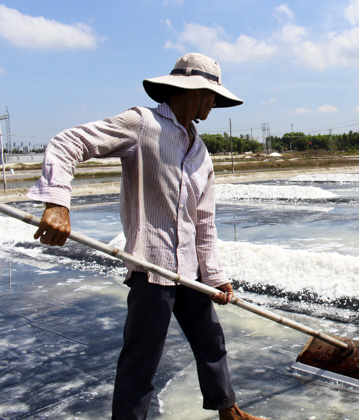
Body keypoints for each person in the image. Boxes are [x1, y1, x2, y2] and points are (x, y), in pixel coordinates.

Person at [28, 53, 265, 420]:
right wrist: (58, 202)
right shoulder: (142, 124)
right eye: (211, 96)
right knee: (141, 361)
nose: (215, 104)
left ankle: (227, 410)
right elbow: (68, 142)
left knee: (212, 343)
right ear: (192, 92)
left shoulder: (201, 152)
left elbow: (203, 222)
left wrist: (215, 276)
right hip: (151, 267)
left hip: (190, 270)